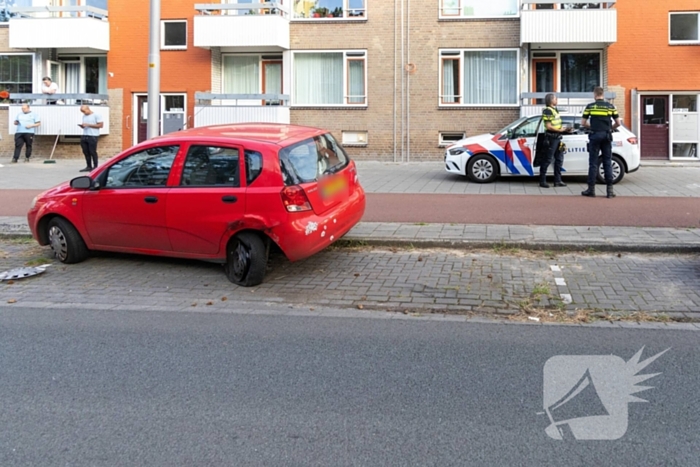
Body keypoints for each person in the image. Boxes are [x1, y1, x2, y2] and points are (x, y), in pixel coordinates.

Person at [580, 86, 621, 198]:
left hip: (594, 135)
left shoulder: (590, 107)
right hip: (606, 136)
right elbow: (618, 123)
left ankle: (591, 190)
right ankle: (609, 191)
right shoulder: (610, 107)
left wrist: (593, 126)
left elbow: (583, 123)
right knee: (607, 162)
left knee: (593, 163)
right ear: (603, 94)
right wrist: (609, 128)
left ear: (595, 94)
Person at [539, 93, 571, 188]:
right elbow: (549, 126)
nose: (557, 100)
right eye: (555, 99)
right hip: (551, 138)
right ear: (551, 100)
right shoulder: (547, 111)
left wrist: (565, 129)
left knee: (559, 159)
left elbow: (556, 124)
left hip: (557, 138)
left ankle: (557, 180)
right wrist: (561, 130)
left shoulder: (554, 110)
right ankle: (542, 181)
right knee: (547, 159)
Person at [78, 105, 104, 172]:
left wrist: (88, 125)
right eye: (82, 112)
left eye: (84, 111)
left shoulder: (96, 115)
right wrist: (82, 126)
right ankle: (88, 166)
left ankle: (95, 167)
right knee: (86, 152)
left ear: (88, 109)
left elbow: (100, 125)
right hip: (85, 135)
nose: (84, 113)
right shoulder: (84, 116)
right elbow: (85, 125)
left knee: (92, 151)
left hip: (93, 135)